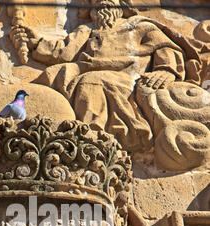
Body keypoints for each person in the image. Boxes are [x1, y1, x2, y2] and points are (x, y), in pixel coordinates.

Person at [11, 0, 202, 153]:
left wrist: (166, 71)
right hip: (86, 72)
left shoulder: (140, 27)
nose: (102, 3)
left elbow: (165, 47)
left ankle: (92, 137)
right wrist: (35, 43)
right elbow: (63, 52)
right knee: (56, 74)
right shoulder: (87, 31)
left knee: (91, 82)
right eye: (96, 1)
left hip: (126, 79)